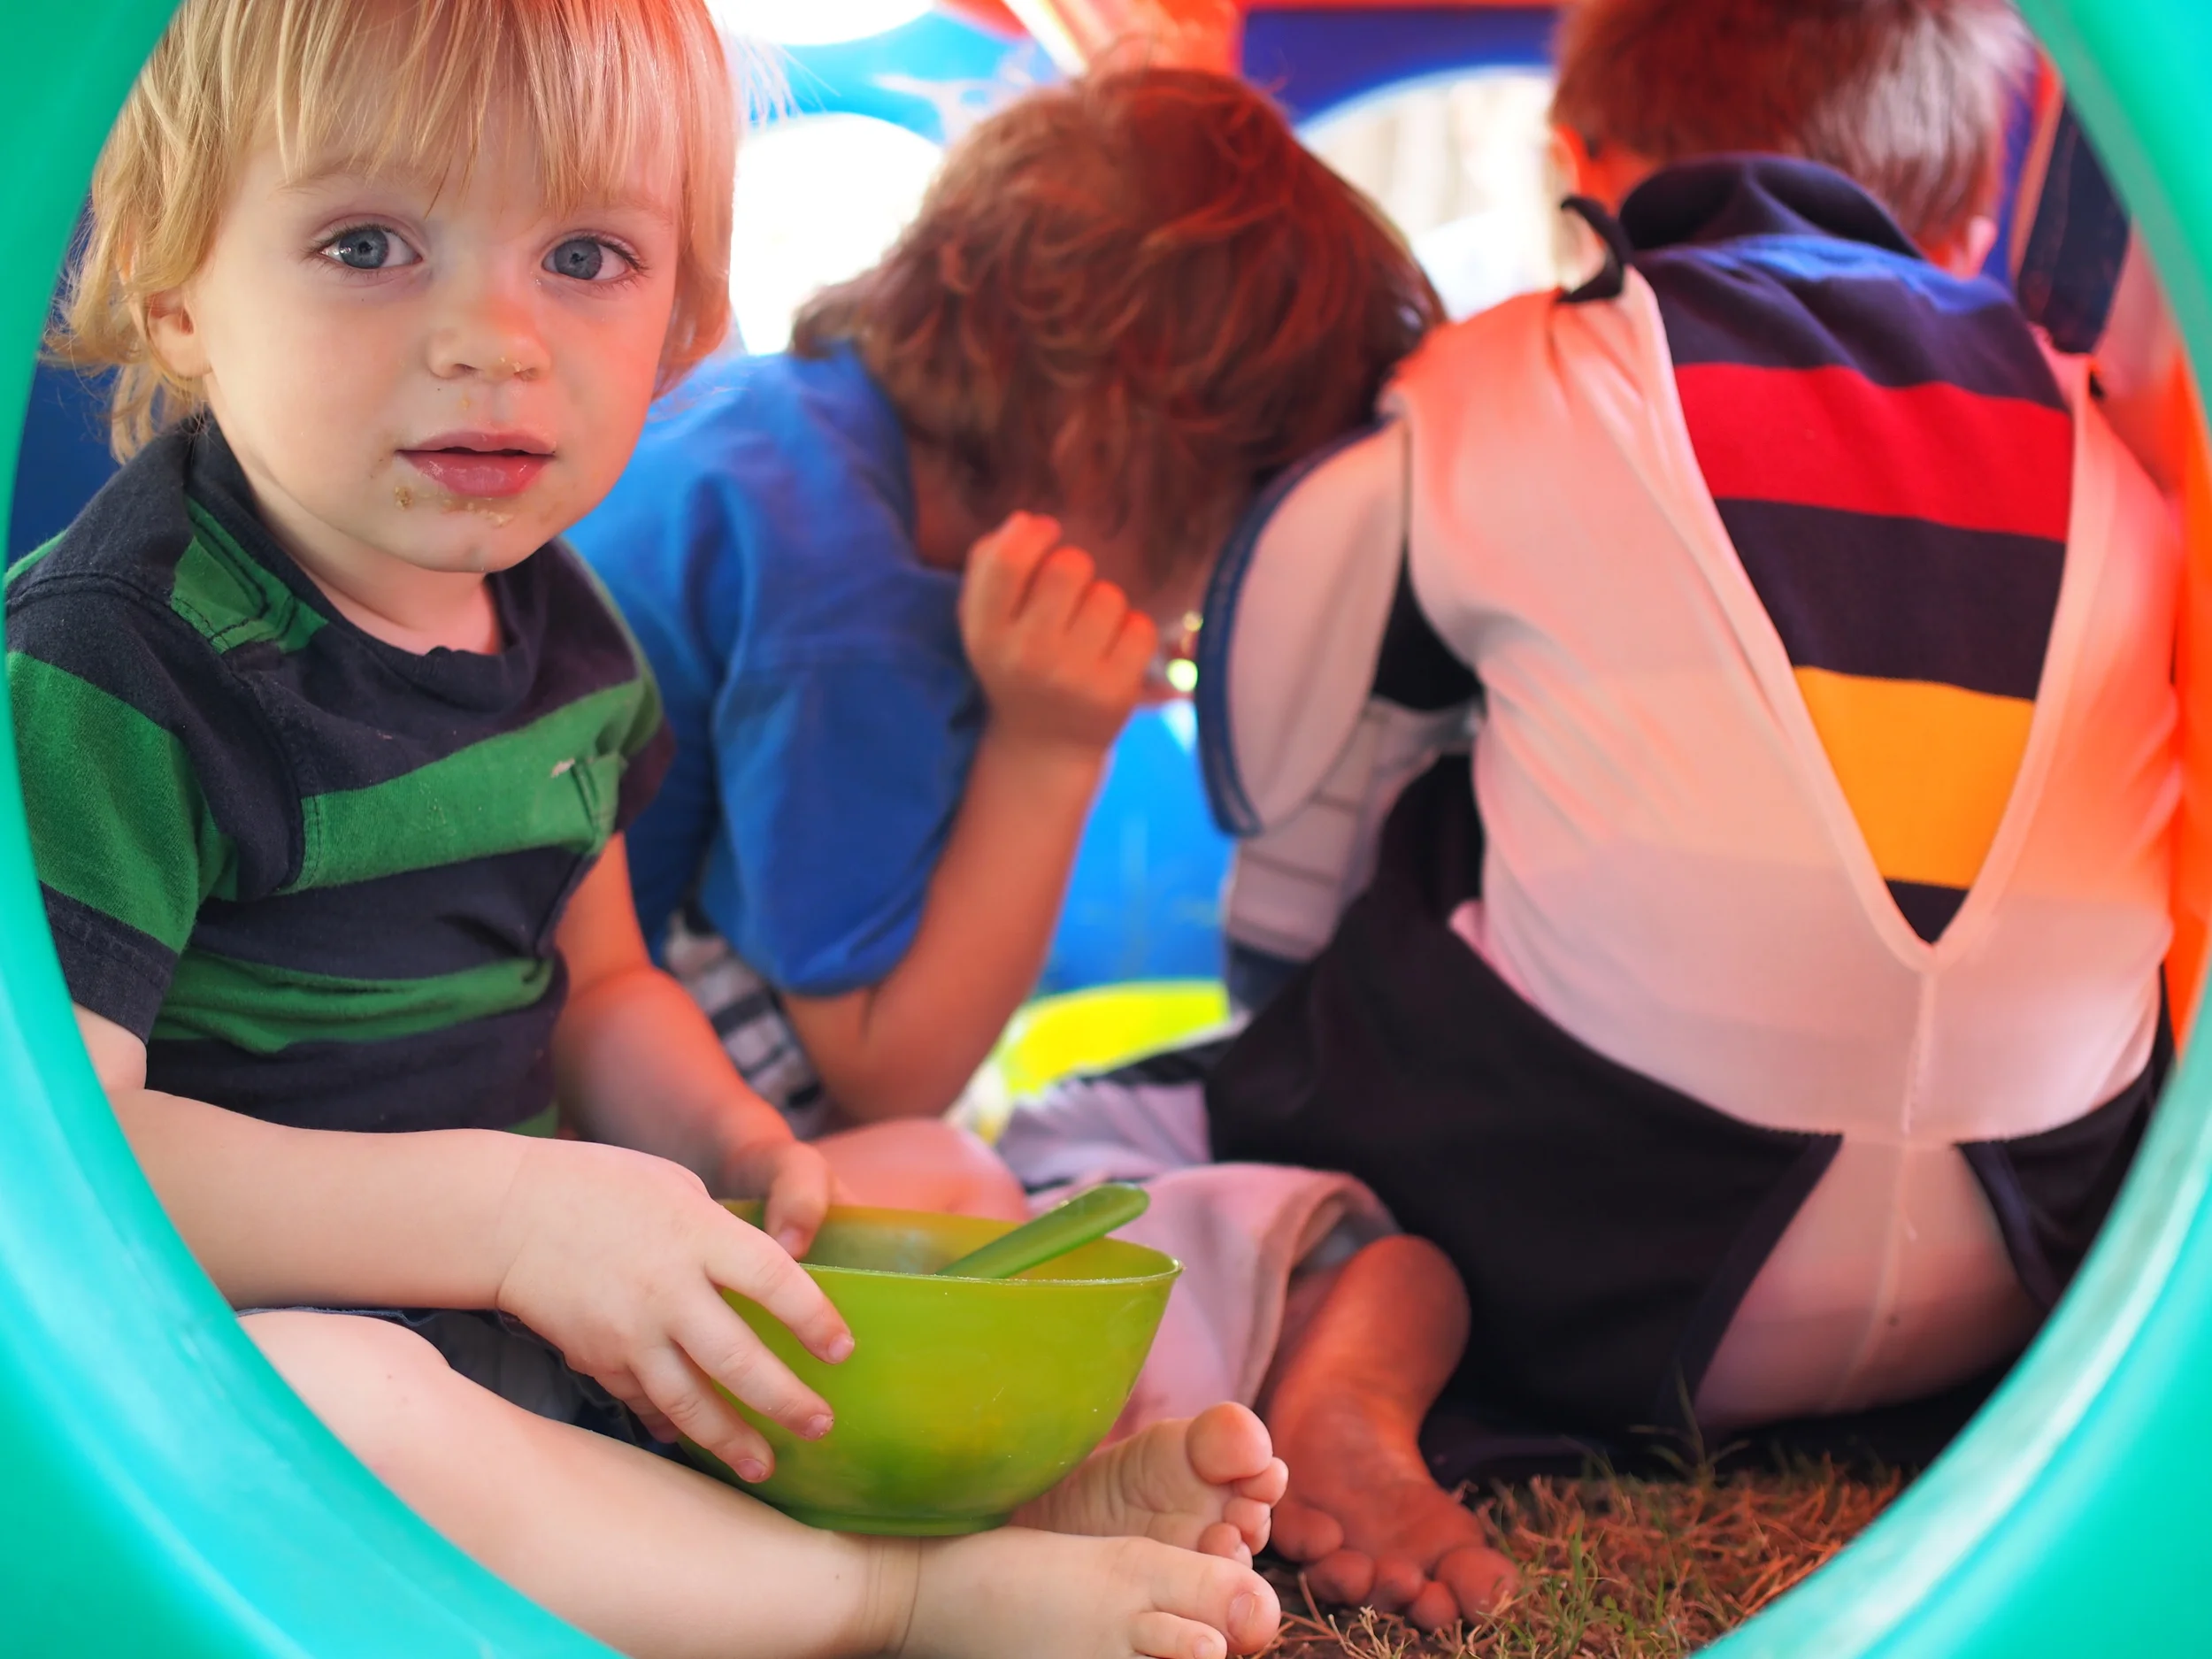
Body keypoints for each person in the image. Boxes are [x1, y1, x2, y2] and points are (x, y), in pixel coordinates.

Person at [5, 3, 1289, 1655]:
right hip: (249, 1345)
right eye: (371, 241)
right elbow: (52, 1161)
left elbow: (602, 992)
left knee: (936, 1173)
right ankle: (891, 1596)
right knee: (344, 1400)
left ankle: (990, 1501)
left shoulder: (565, 639)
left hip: (537, 1294)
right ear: (178, 291)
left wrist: (740, 1155)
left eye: (588, 257)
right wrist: (513, 1221)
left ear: (682, 313)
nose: (492, 336)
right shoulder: (115, 663)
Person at [998, 0, 2181, 1631]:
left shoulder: (1505, 374)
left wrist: (1284, 1066)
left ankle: (1335, 1272)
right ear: (1969, 213)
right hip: (2046, 1268)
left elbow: (1288, 775)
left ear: (1580, 172)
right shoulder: (2100, 431)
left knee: (1078, 1136)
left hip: (1568, 1260)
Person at [566, 69, 1442, 1136]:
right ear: (1110, 440)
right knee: (940, 1167)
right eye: (1232, 534)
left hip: (524, 994)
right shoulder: (857, 608)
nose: (1210, 597)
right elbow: (884, 1076)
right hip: (550, 1086)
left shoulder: (796, 434)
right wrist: (1050, 747)